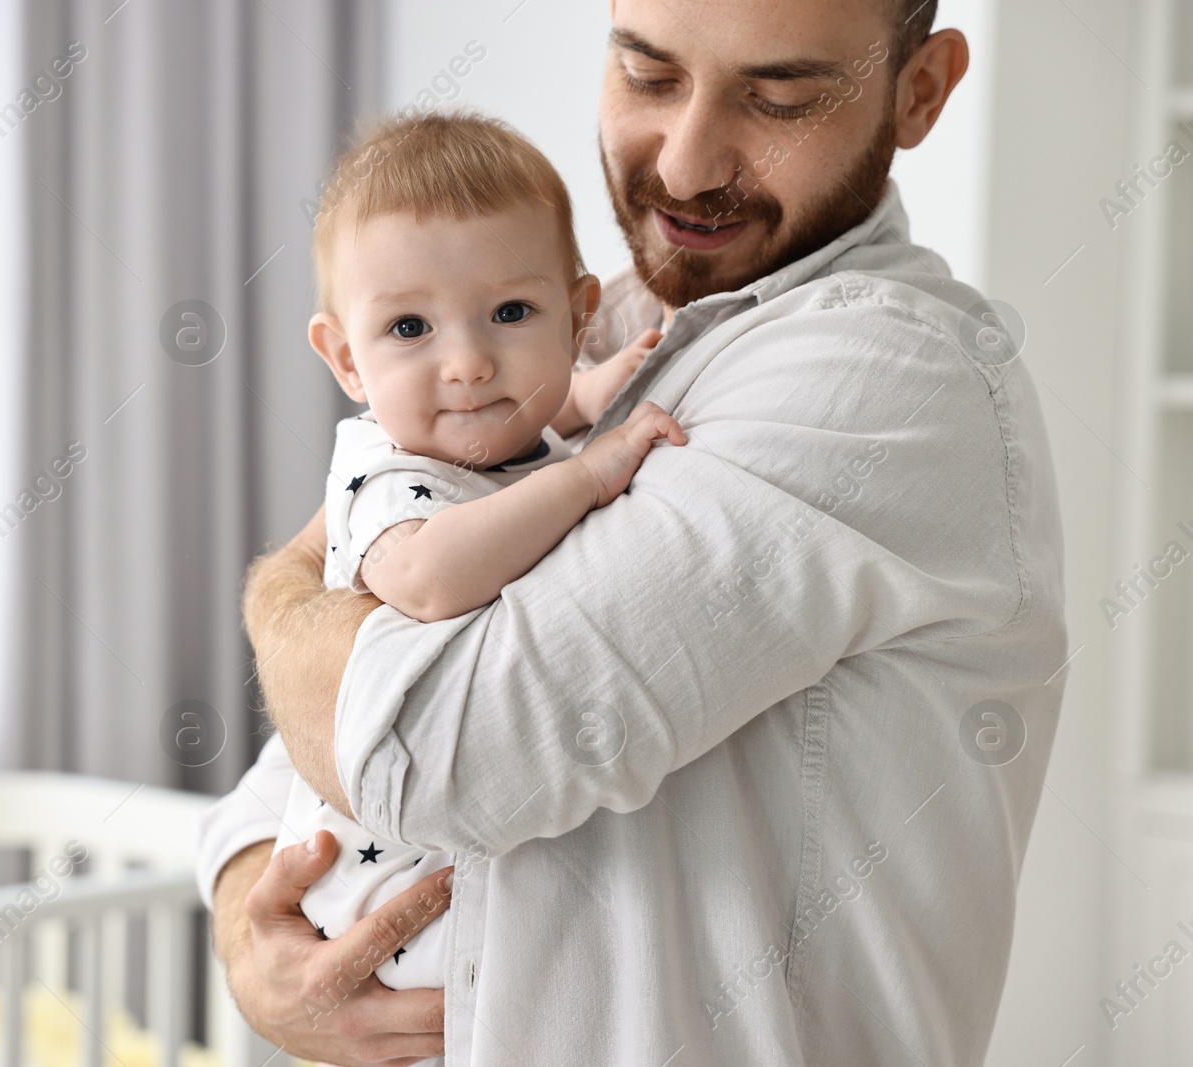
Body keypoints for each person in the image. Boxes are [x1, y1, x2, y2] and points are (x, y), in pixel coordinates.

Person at [197, 1, 1068, 1063]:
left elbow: (432, 755)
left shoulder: (887, 371)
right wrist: (254, 928)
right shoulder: (561, 327)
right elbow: (292, 761)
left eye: (777, 98)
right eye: (648, 77)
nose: (690, 163)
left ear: (919, 90)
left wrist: (274, 595)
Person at [272, 110, 687, 1011]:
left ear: (579, 319)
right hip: (390, 907)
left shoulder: (500, 427)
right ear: (346, 357)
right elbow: (428, 577)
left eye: (510, 312)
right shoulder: (381, 473)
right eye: (410, 328)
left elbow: (526, 420)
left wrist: (590, 397)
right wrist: (587, 476)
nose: (467, 363)